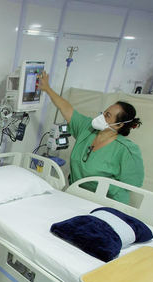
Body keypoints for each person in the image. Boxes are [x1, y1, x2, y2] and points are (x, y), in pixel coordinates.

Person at [37, 72, 144, 204]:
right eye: (104, 112)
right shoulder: (87, 129)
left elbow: (133, 183)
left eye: (108, 116)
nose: (101, 117)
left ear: (119, 125)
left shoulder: (126, 150)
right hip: (76, 196)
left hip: (107, 203)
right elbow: (66, 108)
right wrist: (47, 88)